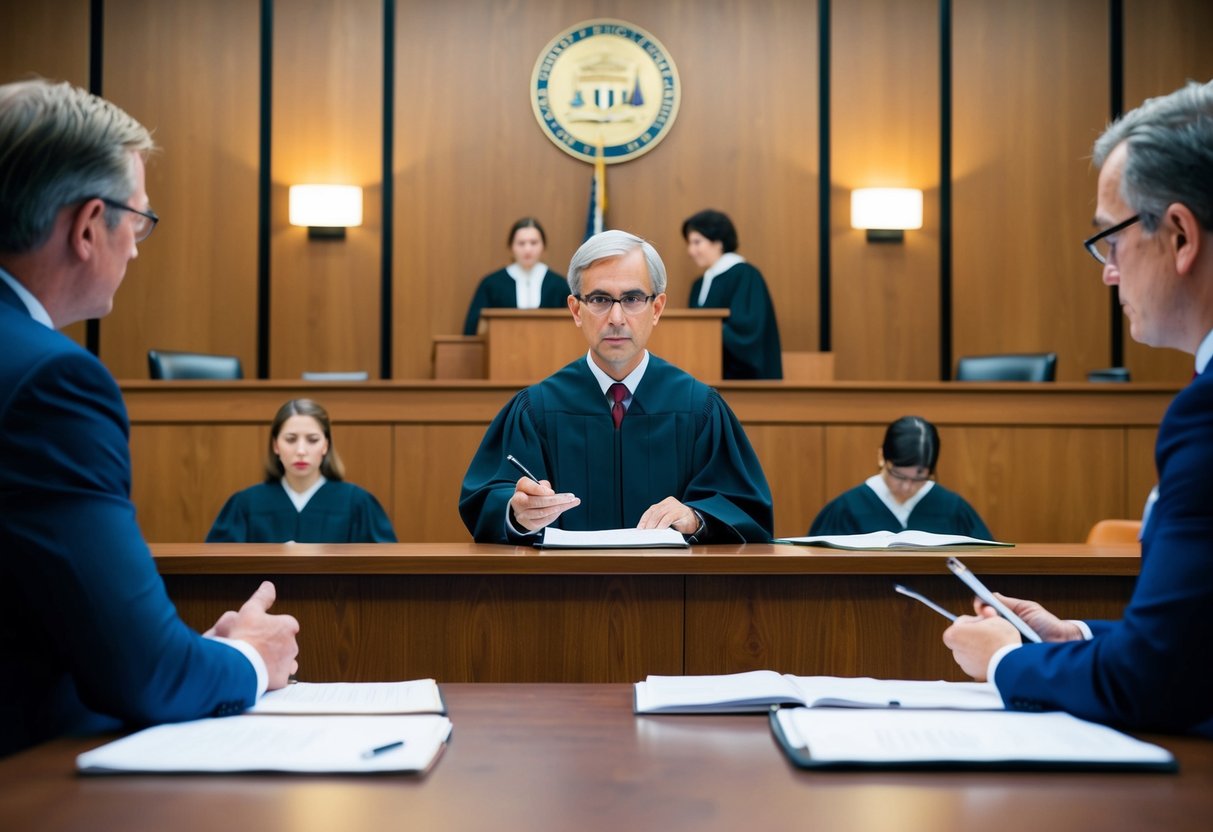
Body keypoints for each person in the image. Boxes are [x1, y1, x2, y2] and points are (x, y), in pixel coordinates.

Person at [0, 79, 299, 757]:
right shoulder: (54, 382)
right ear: (86, 227)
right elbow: (139, 676)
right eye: (138, 222)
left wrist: (183, 654)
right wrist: (252, 659)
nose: (136, 247)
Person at [942, 79, 1213, 738]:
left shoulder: (1203, 416)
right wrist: (1074, 635)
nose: (1107, 273)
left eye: (1110, 240)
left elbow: (1149, 681)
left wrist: (1007, 662)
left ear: (1179, 234)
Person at [459, 229, 774, 544]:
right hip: (561, 588)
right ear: (575, 309)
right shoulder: (536, 408)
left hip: (674, 590)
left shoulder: (699, 407)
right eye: (599, 299)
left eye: (633, 298)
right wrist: (517, 512)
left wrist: (695, 518)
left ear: (657, 308)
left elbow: (745, 509)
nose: (617, 317)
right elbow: (487, 498)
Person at [207, 399, 397, 543]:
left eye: (312, 440)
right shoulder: (245, 504)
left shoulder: (357, 503)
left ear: (326, 446)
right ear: (275, 445)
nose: (301, 451)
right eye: (290, 439)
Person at [808, 415, 992, 538]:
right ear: (882, 457)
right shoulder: (845, 509)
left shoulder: (954, 509)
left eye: (920, 477)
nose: (907, 487)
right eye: (898, 476)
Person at [682, 209, 782, 379]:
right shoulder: (698, 285)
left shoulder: (746, 276)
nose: (690, 251)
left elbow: (748, 330)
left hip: (739, 379)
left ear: (718, 242)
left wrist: (711, 332)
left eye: (697, 242)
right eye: (689, 244)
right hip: (703, 375)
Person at [462, 217, 570, 335]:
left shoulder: (559, 285)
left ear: (543, 246)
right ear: (511, 247)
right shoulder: (491, 284)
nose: (527, 249)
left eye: (533, 243)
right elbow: (472, 330)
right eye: (521, 243)